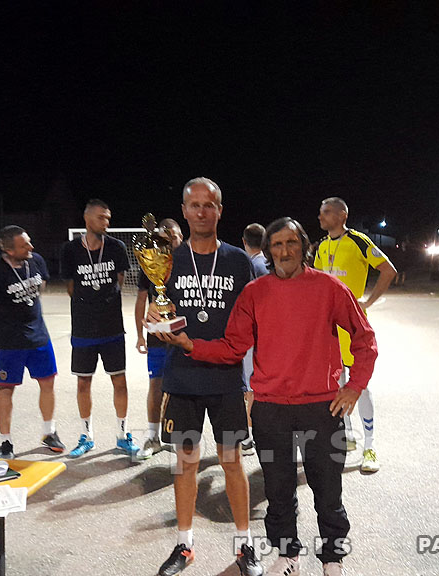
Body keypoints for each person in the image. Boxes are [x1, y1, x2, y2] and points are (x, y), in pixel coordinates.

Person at [159, 217, 377, 576]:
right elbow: (233, 347)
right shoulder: (255, 293)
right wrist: (190, 345)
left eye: (292, 242)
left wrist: (355, 386)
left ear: (304, 247)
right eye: (277, 244)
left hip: (322, 408)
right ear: (269, 250)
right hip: (271, 410)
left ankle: (332, 559)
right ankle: (288, 555)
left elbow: (364, 337)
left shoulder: (329, 288)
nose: (285, 250)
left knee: (328, 492)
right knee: (278, 491)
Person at [149, 177, 261, 576]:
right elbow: (158, 311)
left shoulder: (237, 261)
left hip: (226, 377)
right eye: (194, 205)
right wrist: (154, 319)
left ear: (219, 210)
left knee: (232, 461)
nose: (201, 211)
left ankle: (245, 546)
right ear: (183, 211)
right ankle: (185, 545)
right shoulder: (166, 260)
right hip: (183, 378)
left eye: (208, 204)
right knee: (185, 463)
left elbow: (253, 319)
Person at [314, 197, 396, 474]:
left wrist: (367, 302)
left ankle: (370, 447)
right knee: (336, 382)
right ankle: (347, 434)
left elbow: (388, 270)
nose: (321, 217)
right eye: (321, 212)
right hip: (328, 329)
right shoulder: (321, 246)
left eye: (326, 212)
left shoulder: (359, 242)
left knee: (360, 386)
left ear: (342, 215)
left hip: (351, 327)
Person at [0, 225, 63, 459]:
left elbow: (40, 286)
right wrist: (2, 332)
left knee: (47, 382)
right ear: (9, 250)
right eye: (24, 245)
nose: (30, 247)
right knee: (6, 389)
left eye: (29, 242)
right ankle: (5, 442)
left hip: (39, 337)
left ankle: (49, 432)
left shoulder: (36, 261)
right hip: (10, 345)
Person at [60, 199, 139, 458]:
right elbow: (70, 287)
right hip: (83, 328)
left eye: (108, 218)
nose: (106, 222)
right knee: (83, 382)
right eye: (101, 217)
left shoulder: (116, 247)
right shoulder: (70, 250)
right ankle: (87, 436)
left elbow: (119, 280)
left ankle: (122, 435)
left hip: (112, 326)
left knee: (120, 381)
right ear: (87, 219)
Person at [135, 218, 183, 460]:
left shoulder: (189, 261)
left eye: (175, 237)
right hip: (157, 333)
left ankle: (178, 436)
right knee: (156, 384)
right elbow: (141, 298)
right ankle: (153, 437)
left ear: (181, 237)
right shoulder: (151, 260)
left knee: (182, 386)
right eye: (166, 238)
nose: (171, 242)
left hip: (184, 332)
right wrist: (139, 335)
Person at [240, 222, 269, 455]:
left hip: (255, 335)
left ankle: (250, 437)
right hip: (269, 334)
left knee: (251, 387)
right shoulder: (269, 263)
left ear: (244, 242)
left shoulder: (251, 265)